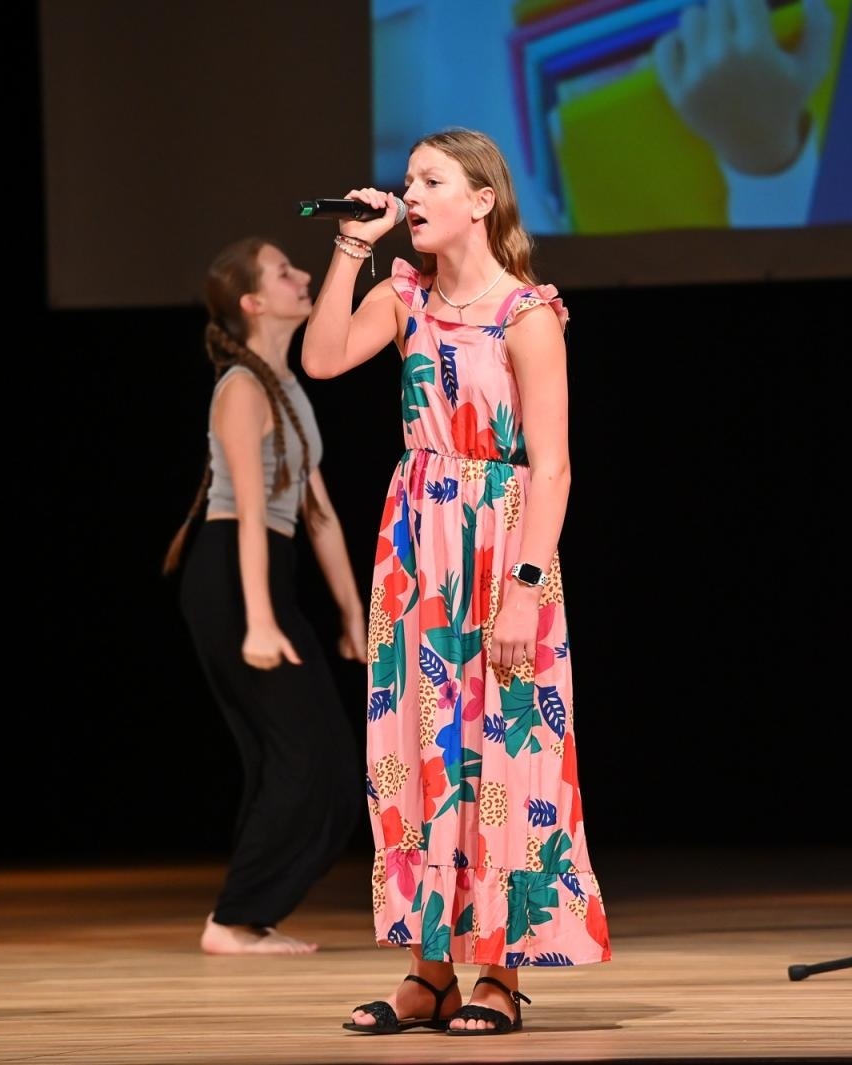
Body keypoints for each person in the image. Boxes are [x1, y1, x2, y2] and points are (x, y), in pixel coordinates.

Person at [302, 128, 611, 1036]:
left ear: (481, 200)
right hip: (418, 541)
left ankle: (501, 973)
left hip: (502, 539)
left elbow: (550, 467)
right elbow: (320, 359)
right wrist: (353, 245)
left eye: (430, 180)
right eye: (408, 181)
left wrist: (522, 586)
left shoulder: (527, 313)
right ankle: (428, 968)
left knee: (503, 753)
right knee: (416, 743)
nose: (413, 193)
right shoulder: (406, 299)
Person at [163, 237, 365, 956]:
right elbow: (250, 512)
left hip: (262, 577)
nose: (303, 276)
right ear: (253, 303)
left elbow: (320, 514)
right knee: (307, 759)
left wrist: (353, 616)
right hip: (231, 581)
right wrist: (257, 621)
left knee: (310, 762)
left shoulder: (286, 387)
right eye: (285, 272)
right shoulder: (241, 390)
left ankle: (246, 914)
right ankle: (233, 919)